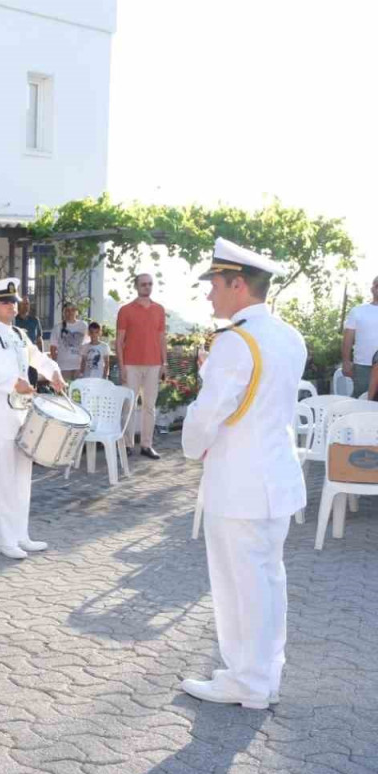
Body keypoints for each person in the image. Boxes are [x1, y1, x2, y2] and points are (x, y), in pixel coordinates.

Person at [180, 238, 306, 710]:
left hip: (238, 485)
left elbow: (207, 414)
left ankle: (245, 682)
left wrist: (192, 448)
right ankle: (264, 673)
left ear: (238, 283)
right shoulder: (288, 336)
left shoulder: (236, 341)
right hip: (275, 480)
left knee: (238, 584)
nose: (209, 293)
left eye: (215, 283)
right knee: (267, 579)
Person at [0, 278, 65, 560]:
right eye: (5, 301)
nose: (12, 306)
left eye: (14, 301)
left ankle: (20, 534)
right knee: (3, 478)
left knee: (22, 477)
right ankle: (4, 540)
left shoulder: (19, 335)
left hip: (22, 415)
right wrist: (13, 382)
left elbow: (40, 358)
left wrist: (55, 373)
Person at [115, 274, 167, 459]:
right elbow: (119, 341)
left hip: (154, 365)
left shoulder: (159, 309)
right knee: (128, 406)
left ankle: (146, 445)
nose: (147, 287)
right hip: (131, 365)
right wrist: (121, 366)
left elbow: (162, 338)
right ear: (136, 286)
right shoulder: (126, 310)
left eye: (150, 284)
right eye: (143, 284)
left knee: (149, 407)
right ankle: (127, 444)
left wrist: (165, 363)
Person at [342, 275, 378, 398]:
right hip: (363, 366)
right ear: (372, 289)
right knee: (361, 402)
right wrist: (346, 362)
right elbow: (348, 339)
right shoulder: (358, 311)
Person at [49, 302, 88, 383]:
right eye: (67, 310)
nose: (70, 312)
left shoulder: (83, 326)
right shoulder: (57, 327)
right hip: (63, 366)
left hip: (79, 366)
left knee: (78, 392)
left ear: (76, 312)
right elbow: (53, 348)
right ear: (63, 313)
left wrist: (84, 365)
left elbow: (87, 346)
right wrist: (55, 366)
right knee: (65, 392)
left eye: (72, 310)